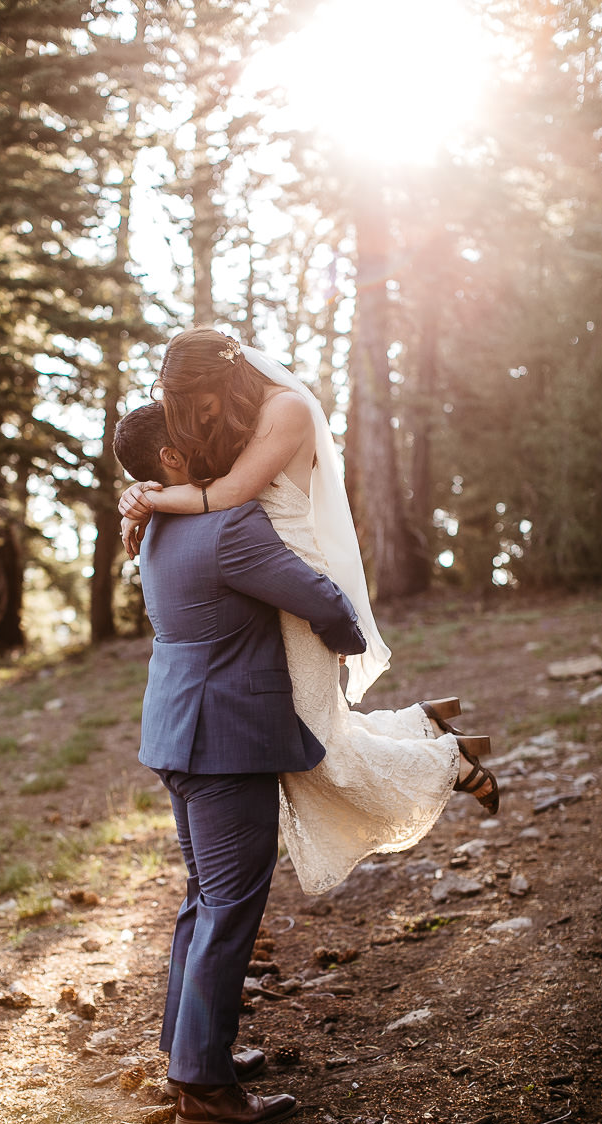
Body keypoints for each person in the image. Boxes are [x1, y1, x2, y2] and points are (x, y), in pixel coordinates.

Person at [119, 327, 499, 896]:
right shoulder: (230, 416)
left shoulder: (288, 409)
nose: (193, 418)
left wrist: (148, 501)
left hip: (290, 579)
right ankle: (423, 725)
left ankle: (451, 762)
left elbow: (224, 496)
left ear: (218, 378)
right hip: (253, 579)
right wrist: (140, 495)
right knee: (311, 735)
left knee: (316, 749)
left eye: (195, 402)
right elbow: (199, 478)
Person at [112, 402, 367, 1124]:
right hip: (224, 739)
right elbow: (311, 594)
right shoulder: (227, 523)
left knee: (205, 898)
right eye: (189, 432)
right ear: (169, 458)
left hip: (175, 730)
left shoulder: (156, 522)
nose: (206, 436)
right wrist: (348, 634)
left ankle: (191, 1048)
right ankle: (201, 1080)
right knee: (228, 906)